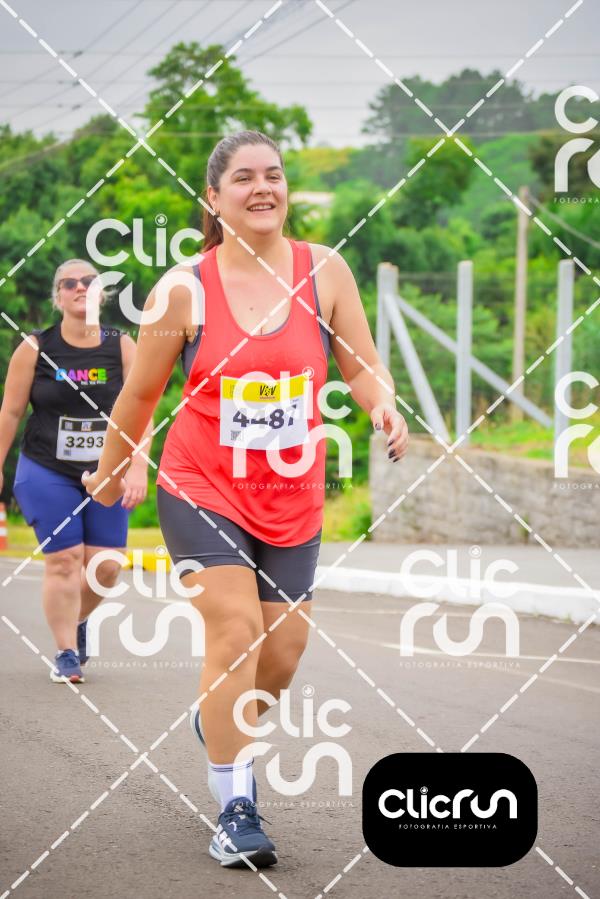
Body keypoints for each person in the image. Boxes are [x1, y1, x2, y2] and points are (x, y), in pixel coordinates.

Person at [82, 130, 408, 868]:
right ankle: (237, 806)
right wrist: (109, 468)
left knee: (282, 653)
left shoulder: (324, 271)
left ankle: (221, 724)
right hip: (201, 485)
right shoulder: (183, 290)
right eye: (244, 178)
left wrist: (383, 404)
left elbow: (362, 367)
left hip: (292, 494)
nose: (263, 188)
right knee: (236, 633)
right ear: (214, 197)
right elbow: (140, 393)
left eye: (274, 175)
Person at [0, 258, 150, 684]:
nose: (80, 288)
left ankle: (77, 620)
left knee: (106, 566)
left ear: (102, 292)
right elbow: (10, 413)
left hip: (107, 471)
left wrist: (138, 467)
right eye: (70, 283)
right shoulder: (35, 348)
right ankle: (66, 650)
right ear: (58, 296)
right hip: (46, 467)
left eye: (89, 281)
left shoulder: (121, 346)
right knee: (65, 560)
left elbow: (143, 409)